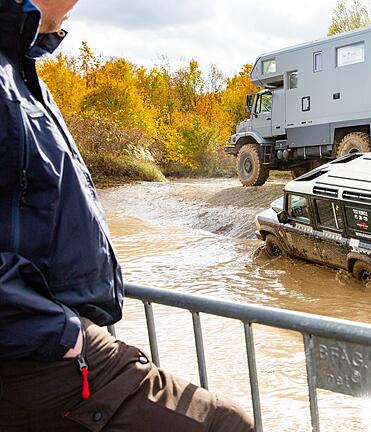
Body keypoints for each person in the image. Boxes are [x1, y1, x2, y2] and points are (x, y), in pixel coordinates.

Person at [0, 1, 254, 430]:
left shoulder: (22, 70)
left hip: (56, 332)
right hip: (41, 345)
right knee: (226, 424)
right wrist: (64, 333)